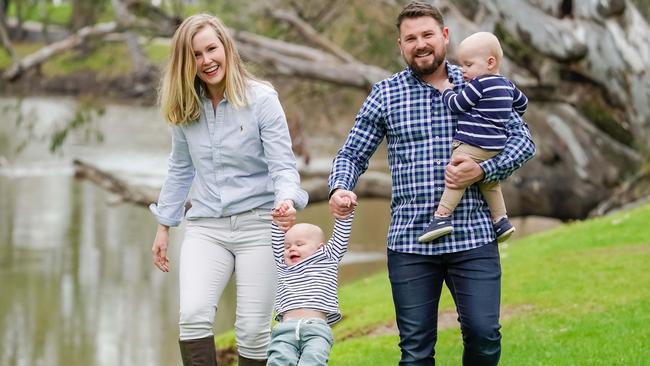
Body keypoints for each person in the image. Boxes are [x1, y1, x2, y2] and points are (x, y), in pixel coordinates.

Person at [327, 2, 535, 365]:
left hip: (473, 236)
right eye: (411, 38)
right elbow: (351, 154)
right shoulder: (386, 94)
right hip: (410, 242)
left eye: (427, 35)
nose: (420, 44)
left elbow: (523, 142)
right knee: (415, 352)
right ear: (400, 45)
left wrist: (484, 171)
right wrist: (340, 187)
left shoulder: (481, 84)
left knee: (485, 336)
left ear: (444, 36)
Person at [149, 13, 308, 366]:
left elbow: (283, 166)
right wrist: (164, 225)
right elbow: (179, 169)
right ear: (185, 62)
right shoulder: (185, 108)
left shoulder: (262, 99)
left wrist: (285, 200)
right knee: (192, 314)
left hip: (259, 226)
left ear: (226, 48)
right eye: (196, 55)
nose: (206, 61)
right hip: (207, 227)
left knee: (252, 330)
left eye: (211, 49)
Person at [418, 31, 528, 243]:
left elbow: (457, 105)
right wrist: (501, 111)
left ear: (489, 62)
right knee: (490, 183)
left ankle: (442, 216)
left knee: (456, 177)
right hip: (495, 147)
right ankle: (501, 220)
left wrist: (446, 90)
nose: (463, 70)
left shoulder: (478, 84)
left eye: (468, 65)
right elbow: (522, 104)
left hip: (471, 144)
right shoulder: (506, 84)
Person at [266, 200, 355, 366]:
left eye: (299, 244)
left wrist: (345, 212)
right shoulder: (283, 264)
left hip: (316, 329)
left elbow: (341, 235)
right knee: (278, 361)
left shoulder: (328, 258)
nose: (292, 248)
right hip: (285, 330)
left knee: (313, 362)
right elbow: (277, 238)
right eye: (287, 246)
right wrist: (279, 217)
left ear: (320, 248)